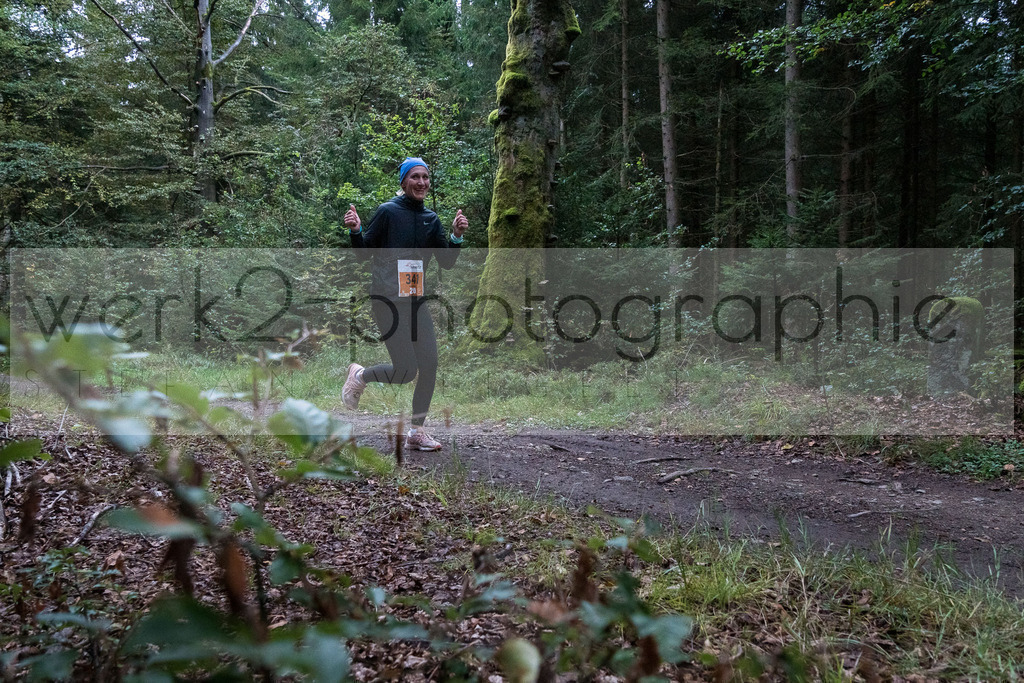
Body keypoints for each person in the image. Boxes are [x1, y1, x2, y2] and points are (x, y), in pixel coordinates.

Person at [342, 157, 468, 451]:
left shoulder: (431, 219)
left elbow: (447, 262)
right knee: (406, 370)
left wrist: (457, 237)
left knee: (430, 364)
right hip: (386, 301)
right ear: (403, 182)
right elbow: (363, 255)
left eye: (425, 177)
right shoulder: (387, 212)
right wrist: (355, 231)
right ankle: (360, 375)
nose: (422, 182)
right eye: (415, 177)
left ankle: (417, 432)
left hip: (415, 301)